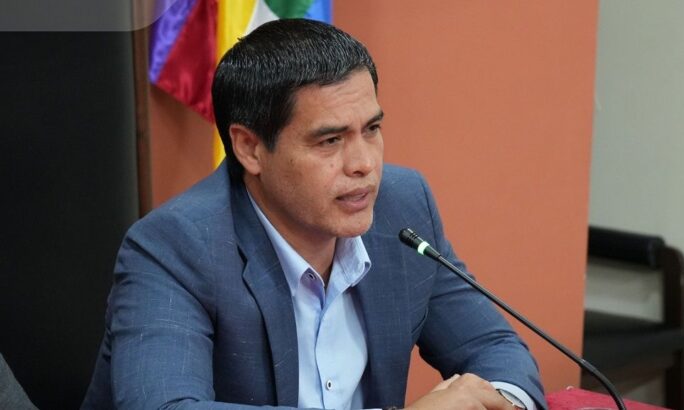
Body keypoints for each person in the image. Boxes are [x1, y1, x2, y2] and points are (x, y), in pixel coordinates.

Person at [82, 19, 546, 410]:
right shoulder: (175, 246)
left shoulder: (401, 206)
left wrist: (502, 403)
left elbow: (493, 348)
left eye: (372, 129)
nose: (363, 164)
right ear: (250, 148)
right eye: (330, 140)